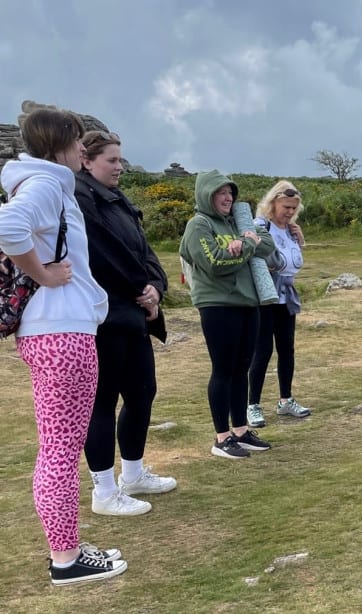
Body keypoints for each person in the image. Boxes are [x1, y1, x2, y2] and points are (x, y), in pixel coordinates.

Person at [0, 108, 126, 585]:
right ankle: (67, 559)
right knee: (59, 452)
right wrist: (44, 273)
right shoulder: (48, 183)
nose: (81, 149)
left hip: (48, 333)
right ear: (60, 143)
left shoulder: (37, 181)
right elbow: (7, 228)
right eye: (76, 142)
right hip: (63, 334)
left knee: (56, 448)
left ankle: (66, 549)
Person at [75, 130, 176, 516]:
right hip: (103, 317)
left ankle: (133, 474)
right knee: (101, 402)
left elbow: (144, 250)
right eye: (112, 160)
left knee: (142, 392)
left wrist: (157, 288)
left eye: (121, 159)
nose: (120, 166)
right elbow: (103, 256)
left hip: (133, 316)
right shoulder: (81, 198)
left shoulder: (119, 199)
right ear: (87, 160)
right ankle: (103, 491)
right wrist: (141, 289)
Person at [179, 170, 276, 459]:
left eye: (230, 192)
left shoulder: (236, 222)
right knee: (222, 369)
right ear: (206, 195)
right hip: (217, 305)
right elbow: (215, 263)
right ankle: (222, 437)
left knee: (240, 369)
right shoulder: (199, 225)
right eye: (220, 193)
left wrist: (245, 243)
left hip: (248, 304)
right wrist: (248, 244)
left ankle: (242, 431)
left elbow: (268, 245)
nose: (227, 197)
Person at [246, 181, 312, 428]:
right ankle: (252, 405)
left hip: (287, 296)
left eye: (294, 208)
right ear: (273, 202)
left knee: (287, 349)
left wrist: (300, 239)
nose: (290, 212)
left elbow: (293, 261)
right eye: (286, 206)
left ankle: (286, 399)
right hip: (265, 297)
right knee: (262, 351)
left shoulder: (291, 229)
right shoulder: (260, 226)